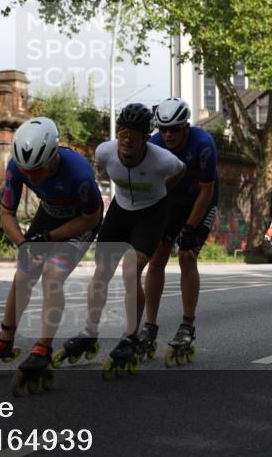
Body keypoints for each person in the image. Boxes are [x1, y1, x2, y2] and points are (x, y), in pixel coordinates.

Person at [0, 117, 103, 395]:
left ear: (53, 157)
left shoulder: (78, 173)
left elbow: (91, 217)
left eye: (38, 170)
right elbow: (7, 214)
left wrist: (49, 238)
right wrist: (23, 244)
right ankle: (4, 339)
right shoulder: (17, 166)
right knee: (24, 273)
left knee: (52, 275)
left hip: (80, 222)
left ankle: (43, 347)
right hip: (50, 214)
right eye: (26, 170)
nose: (31, 176)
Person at [54, 103, 185, 379]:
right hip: (120, 209)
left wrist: (163, 190)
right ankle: (90, 331)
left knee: (131, 270)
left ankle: (130, 337)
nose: (126, 139)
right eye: (123, 132)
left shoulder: (163, 161)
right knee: (101, 271)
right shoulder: (105, 152)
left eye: (134, 135)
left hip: (152, 213)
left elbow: (181, 169)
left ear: (145, 139)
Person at [137, 97, 219, 366]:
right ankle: (150, 325)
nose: (168, 134)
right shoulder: (154, 145)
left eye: (174, 129)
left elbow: (207, 191)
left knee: (186, 256)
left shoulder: (203, 144)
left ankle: (187, 325)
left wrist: (191, 228)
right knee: (157, 257)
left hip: (201, 199)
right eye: (163, 129)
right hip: (172, 200)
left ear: (186, 126)